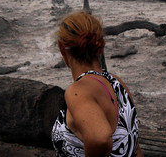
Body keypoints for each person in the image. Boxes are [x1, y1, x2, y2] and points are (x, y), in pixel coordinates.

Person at [51, 11, 142, 157]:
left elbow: (100, 139)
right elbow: (134, 148)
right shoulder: (117, 84)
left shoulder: (77, 92)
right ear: (102, 46)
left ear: (62, 48)